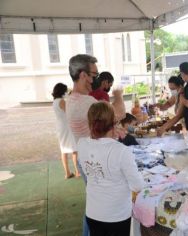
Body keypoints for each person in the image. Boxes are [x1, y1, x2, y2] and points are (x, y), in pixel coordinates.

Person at [66, 54, 125, 236]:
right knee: (100, 207)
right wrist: (119, 95)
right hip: (96, 161)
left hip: (87, 159)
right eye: (94, 75)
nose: (96, 80)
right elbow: (119, 114)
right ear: (83, 75)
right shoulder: (86, 102)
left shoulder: (72, 98)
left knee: (94, 203)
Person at [78, 102, 144, 236]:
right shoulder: (121, 151)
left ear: (90, 123)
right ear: (114, 122)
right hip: (117, 215)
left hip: (93, 212)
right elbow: (138, 185)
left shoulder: (81, 144)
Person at [52, 83, 80, 179]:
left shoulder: (55, 101)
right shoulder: (62, 101)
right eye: (65, 90)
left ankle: (67, 173)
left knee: (64, 150)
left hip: (60, 127)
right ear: (62, 91)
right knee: (74, 150)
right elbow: (69, 113)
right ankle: (77, 172)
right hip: (67, 127)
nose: (66, 92)